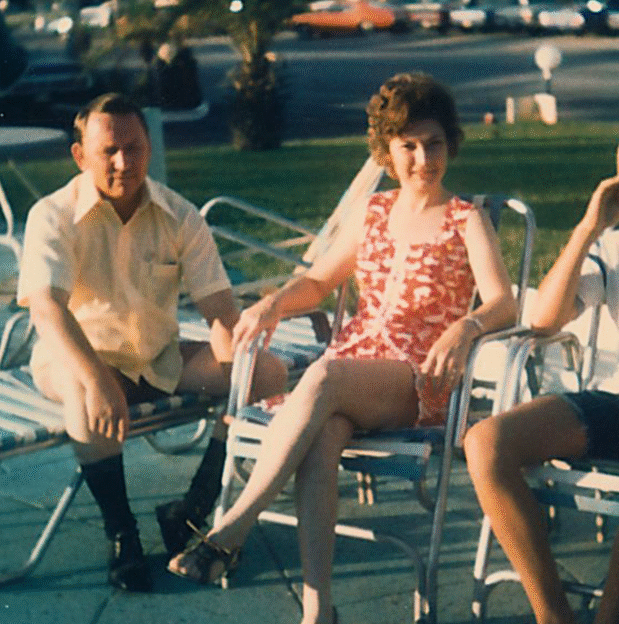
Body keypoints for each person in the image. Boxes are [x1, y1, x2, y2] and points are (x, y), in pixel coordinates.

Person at [167, 72, 517, 624]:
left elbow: (504, 303)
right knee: (324, 434)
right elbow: (317, 282)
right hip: (354, 370)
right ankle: (318, 611)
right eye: (408, 146)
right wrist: (272, 305)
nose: (423, 159)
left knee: (324, 377)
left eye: (434, 144)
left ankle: (229, 530)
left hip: (419, 377)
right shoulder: (374, 211)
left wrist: (466, 327)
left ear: (450, 144)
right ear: (387, 151)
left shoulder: (465, 218)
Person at [16, 92, 286, 593]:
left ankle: (193, 507)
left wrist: (236, 368)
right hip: (74, 358)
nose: (124, 163)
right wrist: (97, 380)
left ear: (149, 148)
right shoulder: (51, 215)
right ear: (80, 156)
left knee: (266, 371)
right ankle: (122, 535)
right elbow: (48, 309)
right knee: (86, 396)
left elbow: (219, 310)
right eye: (109, 151)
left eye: (134, 148)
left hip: (156, 358)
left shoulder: (179, 214)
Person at [464, 149, 619, 624]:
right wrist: (587, 230)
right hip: (613, 403)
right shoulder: (611, 244)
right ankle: (553, 615)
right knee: (486, 443)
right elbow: (546, 319)